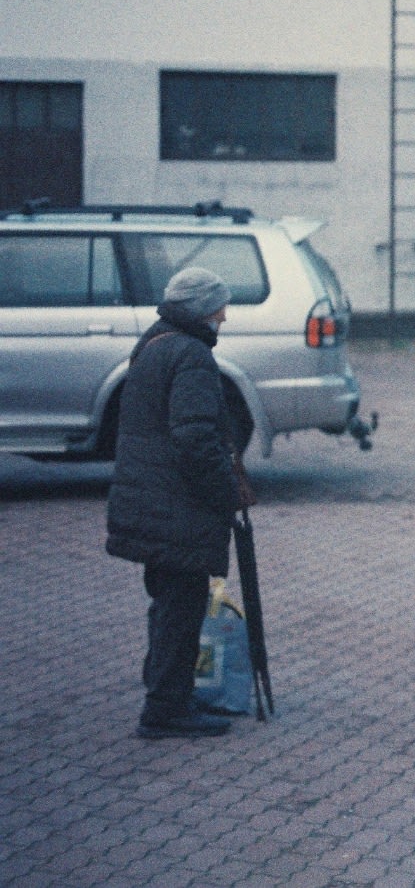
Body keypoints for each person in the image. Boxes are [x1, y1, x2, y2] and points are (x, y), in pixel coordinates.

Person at [107, 268, 252, 738]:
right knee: (181, 606)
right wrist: (226, 494)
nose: (224, 316)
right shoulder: (190, 354)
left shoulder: (154, 342)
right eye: (219, 307)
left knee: (168, 601)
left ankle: (168, 693)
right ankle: (166, 709)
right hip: (175, 505)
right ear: (202, 309)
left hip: (151, 499)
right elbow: (195, 439)